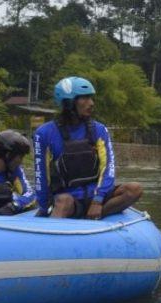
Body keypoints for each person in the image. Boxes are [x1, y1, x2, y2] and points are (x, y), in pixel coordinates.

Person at [33, 76, 142, 219]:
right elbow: (41, 176)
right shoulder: (44, 133)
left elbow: (108, 167)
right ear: (69, 103)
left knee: (134, 189)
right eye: (84, 98)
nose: (91, 103)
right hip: (69, 200)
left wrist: (98, 200)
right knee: (63, 201)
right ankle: (55, 234)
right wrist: (43, 208)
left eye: (91, 98)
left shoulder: (99, 130)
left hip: (97, 198)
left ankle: (93, 216)